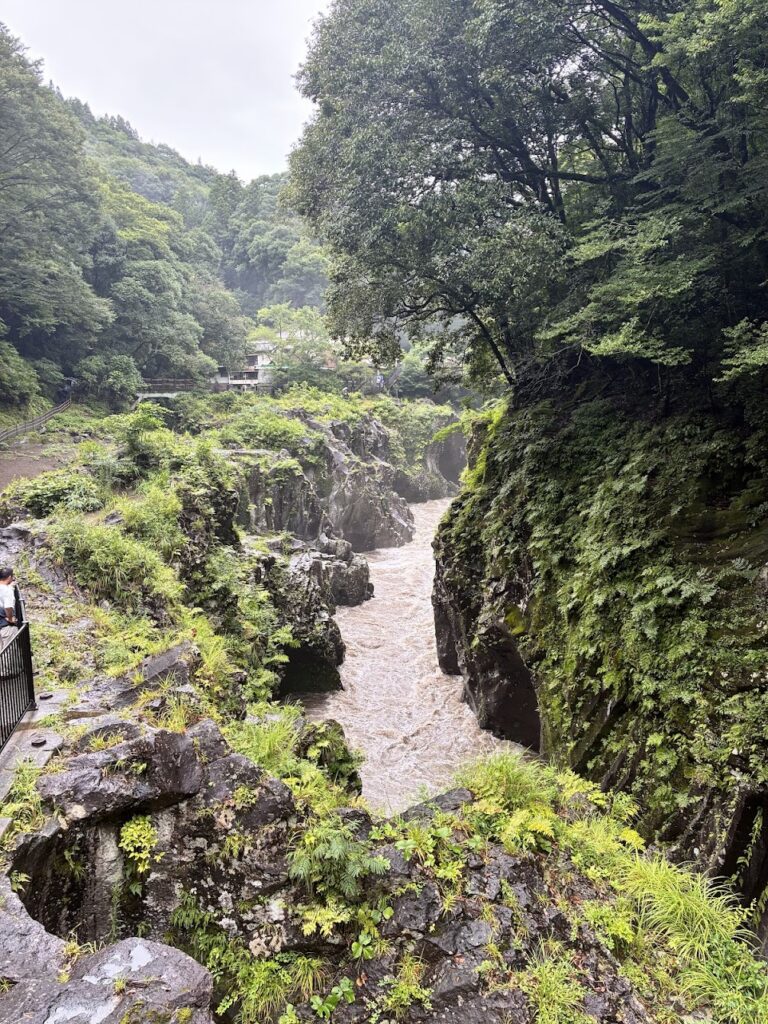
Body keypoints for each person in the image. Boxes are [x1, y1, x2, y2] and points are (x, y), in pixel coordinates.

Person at [0, 567, 18, 652]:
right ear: (9, 577)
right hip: (6, 627)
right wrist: (10, 619)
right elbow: (8, 607)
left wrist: (10, 587)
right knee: (9, 654)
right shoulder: (7, 590)